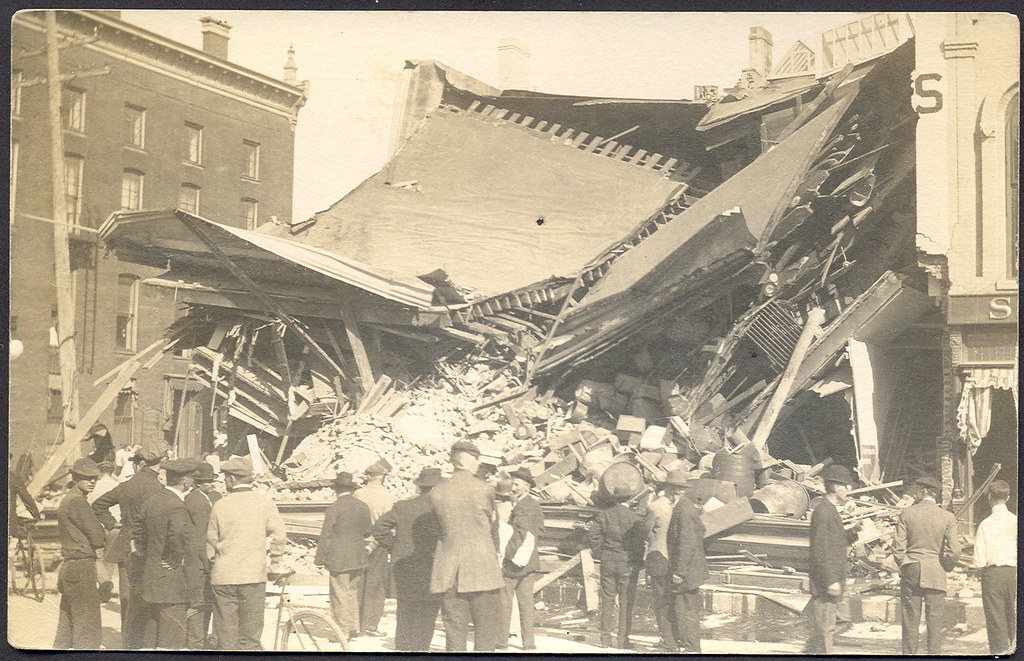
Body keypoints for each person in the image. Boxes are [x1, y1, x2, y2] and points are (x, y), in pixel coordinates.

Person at [92, 438, 170, 649]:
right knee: (149, 594)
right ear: (161, 461)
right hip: (150, 548)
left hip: (127, 546)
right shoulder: (159, 489)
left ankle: (129, 643)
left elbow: (98, 505)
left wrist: (114, 525)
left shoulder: (126, 486)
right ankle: (146, 643)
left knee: (128, 596)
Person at [429, 440, 504, 652]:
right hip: (483, 571)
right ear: (467, 460)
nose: (479, 464)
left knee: (454, 631)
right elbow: (492, 525)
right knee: (486, 633)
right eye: (477, 459)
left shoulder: (436, 492)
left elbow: (439, 529)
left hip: (449, 573)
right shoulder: (486, 490)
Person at [207, 457, 287, 650]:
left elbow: (210, 547)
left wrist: (216, 563)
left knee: (226, 637)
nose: (224, 482)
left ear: (232, 479)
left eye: (226, 477)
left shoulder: (220, 505)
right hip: (253, 576)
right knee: (250, 637)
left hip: (224, 578)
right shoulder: (264, 503)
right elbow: (280, 535)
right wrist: (275, 561)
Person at [372, 467, 443, 651]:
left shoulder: (403, 506)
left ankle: (402, 649)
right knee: (428, 613)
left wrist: (394, 546)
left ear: (420, 487)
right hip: (432, 567)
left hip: (405, 568)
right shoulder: (442, 510)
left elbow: (379, 528)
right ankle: (421, 650)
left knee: (405, 611)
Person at [132, 458, 200, 649]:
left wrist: (148, 554)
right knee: (171, 638)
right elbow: (178, 534)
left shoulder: (152, 501)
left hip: (150, 575)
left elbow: (137, 530)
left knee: (151, 634)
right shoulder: (177, 505)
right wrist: (175, 558)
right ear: (186, 481)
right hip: (170, 579)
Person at [894, 475, 961, 654]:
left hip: (912, 569)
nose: (915, 494)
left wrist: (904, 565)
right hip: (936, 571)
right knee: (935, 621)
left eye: (917, 490)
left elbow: (898, 548)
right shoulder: (948, 517)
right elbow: (955, 551)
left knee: (910, 621)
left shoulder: (907, 513)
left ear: (923, 491)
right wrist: (945, 566)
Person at [53, 458, 108, 649]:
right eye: (87, 478)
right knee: (87, 626)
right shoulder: (78, 502)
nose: (92, 481)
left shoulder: (68, 499)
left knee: (67, 626)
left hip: (70, 566)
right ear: (76, 478)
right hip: (82, 565)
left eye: (95, 478)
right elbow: (97, 535)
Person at [805, 464, 860, 653]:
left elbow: (833, 540)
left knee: (839, 622)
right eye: (846, 486)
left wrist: (852, 532)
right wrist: (830, 581)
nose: (849, 491)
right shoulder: (823, 512)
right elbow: (821, 549)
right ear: (836, 487)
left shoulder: (830, 510)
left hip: (834, 580)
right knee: (826, 629)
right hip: (827, 582)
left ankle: (812, 650)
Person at [314, 471, 373, 639]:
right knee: (351, 591)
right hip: (359, 557)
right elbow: (368, 531)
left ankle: (341, 631)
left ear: (336, 489)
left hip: (339, 558)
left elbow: (326, 535)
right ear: (352, 489)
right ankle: (353, 627)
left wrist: (319, 559)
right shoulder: (362, 506)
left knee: (339, 593)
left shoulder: (334, 508)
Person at [587, 485, 646, 649]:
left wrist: (601, 552)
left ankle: (605, 639)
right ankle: (622, 640)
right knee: (626, 601)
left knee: (607, 599)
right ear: (629, 499)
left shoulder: (604, 515)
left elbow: (592, 535)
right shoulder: (634, 518)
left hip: (608, 560)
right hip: (626, 562)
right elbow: (639, 543)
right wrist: (637, 560)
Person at [497, 467, 544, 651]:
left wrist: (506, 555)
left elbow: (519, 534)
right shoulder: (534, 504)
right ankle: (529, 643)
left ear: (525, 487)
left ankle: (501, 641)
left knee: (504, 602)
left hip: (514, 564)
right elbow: (539, 531)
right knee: (526, 604)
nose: (512, 488)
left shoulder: (523, 507)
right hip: (530, 563)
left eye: (516, 484)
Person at [644, 470, 688, 652]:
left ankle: (667, 642)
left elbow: (646, 532)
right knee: (673, 601)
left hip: (659, 556)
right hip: (675, 560)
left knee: (660, 601)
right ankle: (677, 640)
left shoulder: (655, 507)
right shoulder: (681, 507)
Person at [666, 473, 708, 653]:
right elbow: (701, 530)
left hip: (688, 572)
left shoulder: (684, 510)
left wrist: (679, 572)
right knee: (684, 608)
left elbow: (687, 543)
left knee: (687, 609)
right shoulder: (686, 507)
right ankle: (688, 645)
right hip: (691, 569)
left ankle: (691, 648)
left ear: (673, 491)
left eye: (666, 490)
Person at [973, 479, 1016, 655]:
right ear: (1008, 497)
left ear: (989, 497)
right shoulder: (1016, 521)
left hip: (993, 576)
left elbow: (979, 560)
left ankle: (999, 654)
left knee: (996, 620)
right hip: (1014, 573)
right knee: (1015, 615)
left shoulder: (985, 524)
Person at [184, 461, 222, 649]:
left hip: (201, 558)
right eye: (207, 481)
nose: (211, 484)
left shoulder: (204, 497)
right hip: (199, 560)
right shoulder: (196, 501)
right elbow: (200, 535)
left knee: (206, 601)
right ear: (198, 482)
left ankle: (200, 640)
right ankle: (196, 642)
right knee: (199, 603)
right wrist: (208, 563)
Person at [353, 462, 395, 637]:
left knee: (357, 583)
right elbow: (388, 526)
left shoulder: (357, 494)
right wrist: (374, 543)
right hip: (379, 544)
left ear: (367, 476)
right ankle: (370, 626)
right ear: (383, 477)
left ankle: (355, 624)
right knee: (376, 585)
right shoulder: (387, 497)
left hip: (359, 542)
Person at [88, 461, 120, 603]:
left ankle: (103, 583)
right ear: (112, 471)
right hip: (115, 525)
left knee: (98, 556)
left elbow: (90, 506)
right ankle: (108, 587)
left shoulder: (94, 487)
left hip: (99, 525)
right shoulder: (117, 485)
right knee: (110, 557)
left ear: (99, 472)